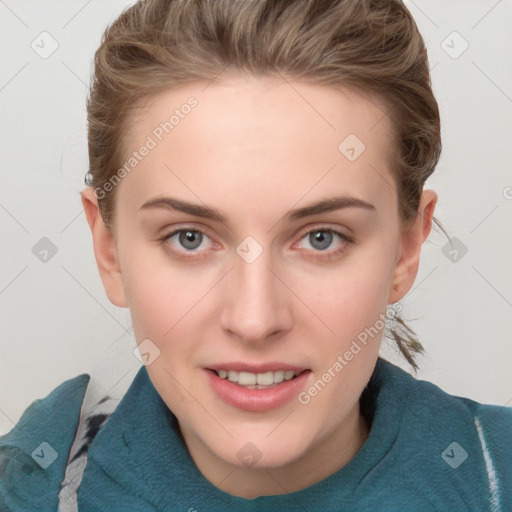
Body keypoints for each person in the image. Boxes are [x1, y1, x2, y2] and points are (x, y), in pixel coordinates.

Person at [1, 0, 511, 510]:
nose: (254, 319)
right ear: (109, 251)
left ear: (406, 247)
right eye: (190, 238)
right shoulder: (27, 490)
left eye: (321, 238)